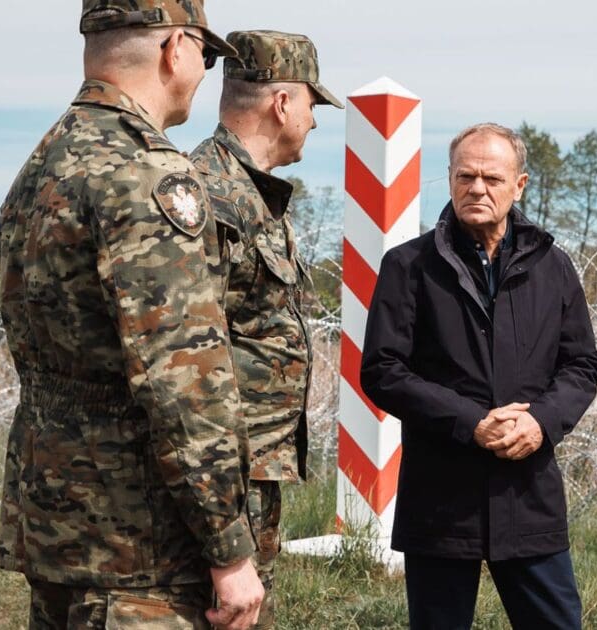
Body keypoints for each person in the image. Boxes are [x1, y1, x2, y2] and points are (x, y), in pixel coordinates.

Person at [0, 2, 264, 628]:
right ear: (175, 49)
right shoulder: (148, 173)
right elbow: (182, 381)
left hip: (56, 524)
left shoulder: (44, 164)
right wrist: (228, 548)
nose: (203, 71)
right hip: (141, 551)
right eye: (206, 53)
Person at [359, 123, 597, 629]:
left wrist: (540, 421)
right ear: (449, 179)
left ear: (520, 185)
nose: (477, 188)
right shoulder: (409, 267)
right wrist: (470, 420)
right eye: (465, 175)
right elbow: (383, 370)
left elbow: (582, 364)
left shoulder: (553, 267)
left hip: (528, 493)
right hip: (441, 499)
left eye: (493, 178)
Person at [189, 29, 343, 628]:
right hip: (220, 471)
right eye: (311, 105)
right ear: (282, 104)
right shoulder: (209, 194)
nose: (314, 121)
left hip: (253, 465)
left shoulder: (256, 196)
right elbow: (184, 356)